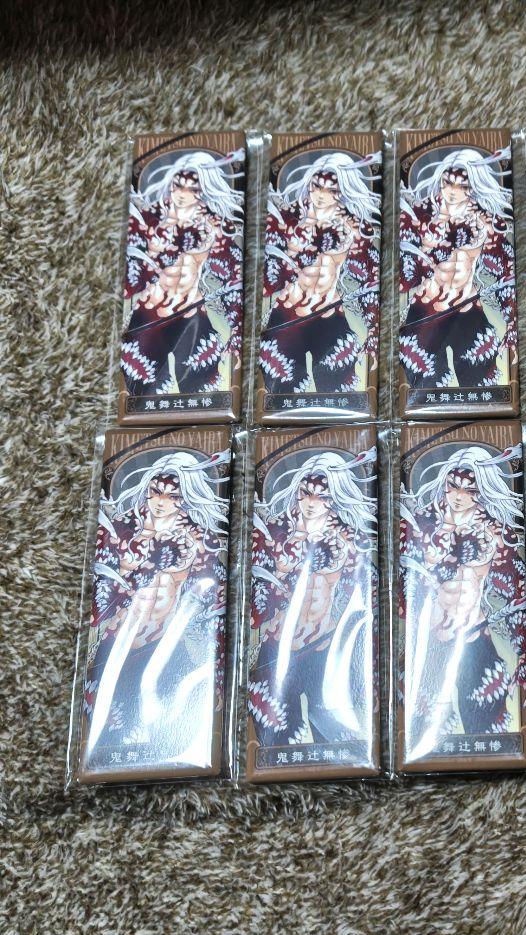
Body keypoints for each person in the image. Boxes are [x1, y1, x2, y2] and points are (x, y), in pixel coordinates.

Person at [84, 450, 230, 765]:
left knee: (175, 728)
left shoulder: (199, 540)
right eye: (156, 491)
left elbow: (215, 601)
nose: (161, 502)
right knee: (108, 731)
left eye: (172, 496)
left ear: (185, 498)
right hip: (118, 643)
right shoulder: (122, 529)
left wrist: (216, 669)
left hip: (165, 645)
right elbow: (103, 592)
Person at [248, 450, 377, 748]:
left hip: (324, 647)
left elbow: (366, 599)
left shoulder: (349, 539)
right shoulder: (274, 534)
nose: (311, 502)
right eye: (305, 493)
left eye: (321, 496)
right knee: (275, 742)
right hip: (277, 649)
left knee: (338, 741)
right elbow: (257, 605)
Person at [400, 446, 526, 743]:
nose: (459, 496)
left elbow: (517, 588)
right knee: (420, 735)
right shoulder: (420, 525)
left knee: (488, 731)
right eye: (453, 486)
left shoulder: (496, 532)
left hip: (474, 638)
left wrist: (522, 653)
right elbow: (403, 582)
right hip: (429, 642)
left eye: (470, 490)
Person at [122, 151, 244, 395]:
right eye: (178, 185)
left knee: (204, 395)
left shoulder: (214, 225)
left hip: (191, 317)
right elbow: (133, 269)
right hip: (150, 314)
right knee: (138, 397)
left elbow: (233, 274)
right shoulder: (152, 219)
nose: (182, 193)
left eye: (192, 189)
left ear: (203, 190)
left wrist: (237, 332)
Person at [261, 153, 381, 396]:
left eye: (331, 189)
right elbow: (271, 271)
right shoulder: (287, 219)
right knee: (279, 396)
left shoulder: (354, 227)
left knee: (342, 396)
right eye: (316, 186)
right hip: (287, 314)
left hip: (329, 316)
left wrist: (373, 331)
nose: (321, 194)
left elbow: (370, 278)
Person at [398, 149, 516, 389]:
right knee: (422, 388)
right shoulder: (422, 216)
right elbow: (407, 265)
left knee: (483, 387)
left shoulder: (486, 221)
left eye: (462, 186)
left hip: (466, 308)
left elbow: (505, 270)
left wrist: (511, 322)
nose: (453, 191)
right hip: (426, 308)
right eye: (448, 183)